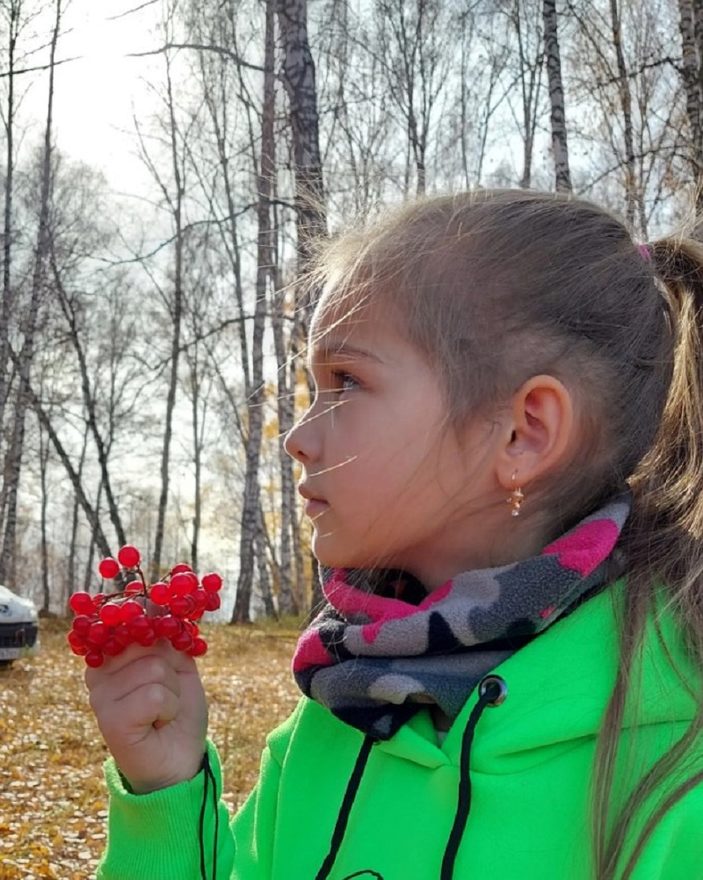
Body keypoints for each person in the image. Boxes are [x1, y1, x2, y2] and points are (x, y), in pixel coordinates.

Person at [85, 190, 703, 880]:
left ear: (522, 432)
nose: (296, 438)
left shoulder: (672, 785)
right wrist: (163, 794)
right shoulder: (332, 718)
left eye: (344, 381)